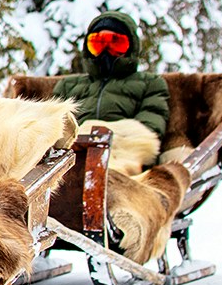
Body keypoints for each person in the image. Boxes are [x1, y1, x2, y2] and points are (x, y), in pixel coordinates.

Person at [52, 11, 171, 169]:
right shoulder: (68, 85)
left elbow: (150, 129)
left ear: (131, 48)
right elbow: (55, 128)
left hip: (124, 160)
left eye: (116, 43)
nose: (106, 52)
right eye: (98, 44)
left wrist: (94, 132)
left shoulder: (151, 83)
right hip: (72, 160)